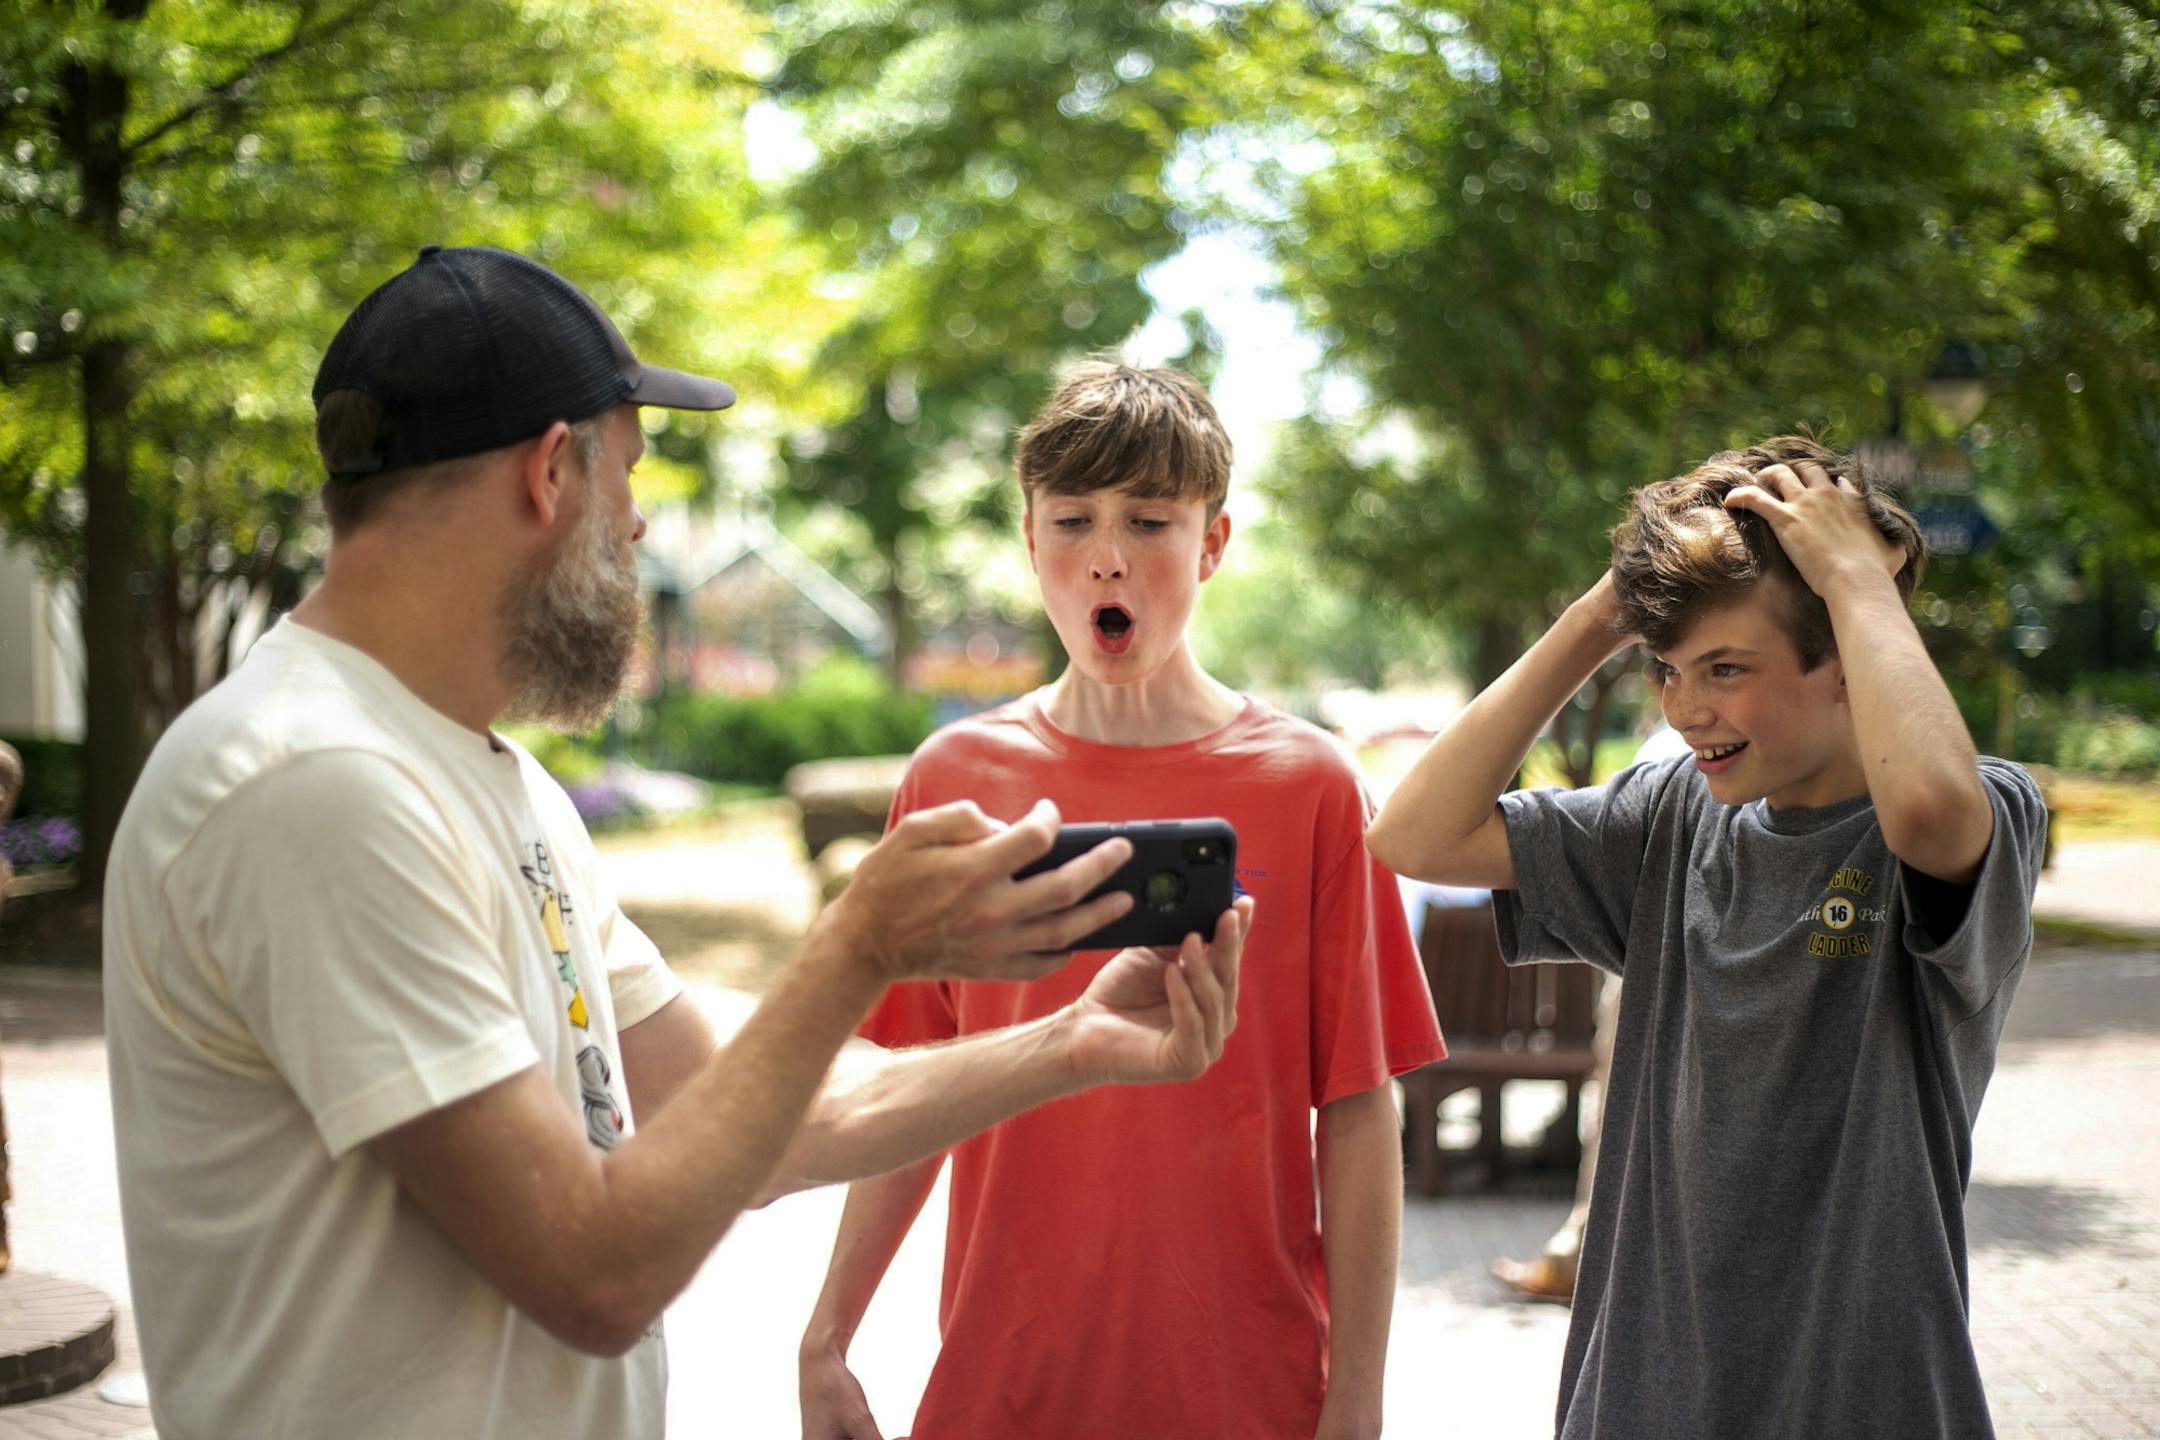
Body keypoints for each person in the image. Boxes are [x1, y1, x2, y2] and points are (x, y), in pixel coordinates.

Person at [101, 248, 1251, 1440]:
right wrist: (858, 945)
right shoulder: (314, 783)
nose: (641, 525)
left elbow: (754, 1130)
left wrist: (1070, 1044)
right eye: (631, 476)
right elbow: (593, 1273)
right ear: (552, 473)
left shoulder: (496, 785)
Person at [798, 362, 1446, 1440]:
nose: (1106, 555)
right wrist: (828, 1336)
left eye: (1149, 520)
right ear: (1028, 540)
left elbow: (1361, 1105)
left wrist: (1358, 1400)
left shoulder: (1315, 784)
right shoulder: (954, 780)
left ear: (1214, 543)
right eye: (1071, 519)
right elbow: (908, 1092)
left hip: (1248, 1390)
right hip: (1000, 1385)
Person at [1368, 434, 2046, 1439]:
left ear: (1846, 663)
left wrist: (1858, 580)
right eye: (1668, 670)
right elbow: (1413, 834)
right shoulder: (1672, 816)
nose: (1688, 708)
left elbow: (1933, 816)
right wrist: (1600, 615)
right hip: (1639, 1398)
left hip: (1861, 1398)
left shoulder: (1982, 809)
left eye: (1725, 668)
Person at [1488, 721, 1691, 1305]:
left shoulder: (1668, 753)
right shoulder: (1680, 753)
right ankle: (1583, 1250)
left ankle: (1585, 1254)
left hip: (1650, 958)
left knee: (1621, 1106)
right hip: (1659, 948)